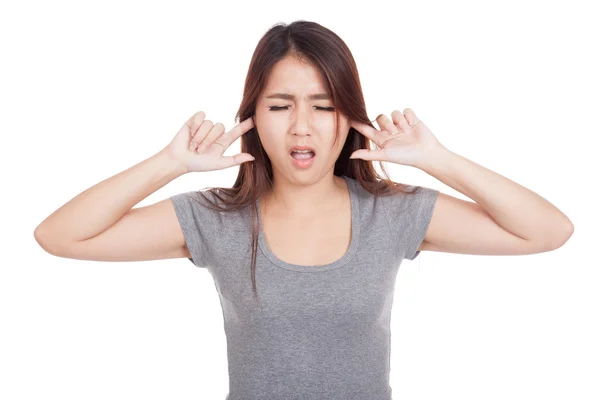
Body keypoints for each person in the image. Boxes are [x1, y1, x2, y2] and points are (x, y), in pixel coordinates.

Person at [34, 20, 574, 400]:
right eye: (278, 106)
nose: (301, 126)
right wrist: (169, 162)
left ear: (349, 116)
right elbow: (59, 237)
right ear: (251, 117)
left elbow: (548, 231)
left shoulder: (389, 212)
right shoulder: (215, 218)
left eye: (323, 106)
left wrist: (438, 159)